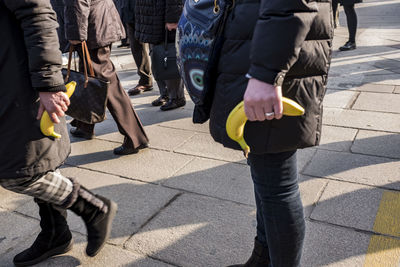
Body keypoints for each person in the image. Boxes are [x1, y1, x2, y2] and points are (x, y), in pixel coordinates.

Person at [206, 0, 333, 266]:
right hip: (261, 49)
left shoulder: (267, 70)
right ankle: (262, 258)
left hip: (270, 60)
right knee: (266, 173)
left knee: (278, 185)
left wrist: (266, 75)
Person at [0, 0, 117, 265]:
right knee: (36, 165)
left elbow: (37, 13)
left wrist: (49, 83)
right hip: (10, 79)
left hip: (17, 82)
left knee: (16, 172)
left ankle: (93, 208)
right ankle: (56, 233)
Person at [51, 0, 149, 155]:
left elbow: (77, 2)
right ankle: (85, 125)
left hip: (92, 27)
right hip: (95, 23)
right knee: (89, 76)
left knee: (106, 81)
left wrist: (76, 34)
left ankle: (135, 136)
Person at [135, 0, 186, 111]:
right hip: (151, 14)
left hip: (161, 16)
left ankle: (177, 97)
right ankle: (165, 93)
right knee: (157, 56)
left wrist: (172, 19)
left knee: (167, 58)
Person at [124, 0, 154, 97]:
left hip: (146, 9)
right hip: (128, 10)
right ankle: (145, 80)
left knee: (155, 45)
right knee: (136, 46)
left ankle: (168, 88)